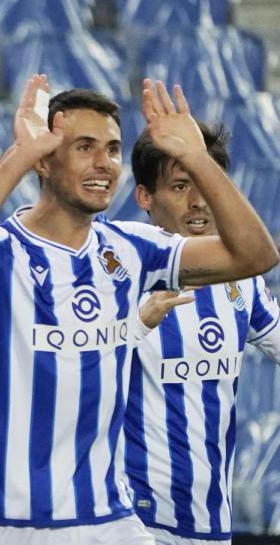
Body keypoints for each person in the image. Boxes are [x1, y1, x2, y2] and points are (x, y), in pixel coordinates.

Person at [0, 77, 278, 545]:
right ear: (46, 160)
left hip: (108, 519)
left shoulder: (133, 250)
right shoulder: (1, 251)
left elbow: (254, 257)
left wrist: (196, 158)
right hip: (7, 521)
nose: (104, 164)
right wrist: (20, 155)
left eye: (112, 150)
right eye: (85, 147)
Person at [124, 120, 280, 545]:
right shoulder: (119, 269)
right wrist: (134, 325)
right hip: (131, 520)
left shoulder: (241, 280)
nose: (198, 203)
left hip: (210, 521)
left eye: (206, 184)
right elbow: (70, 371)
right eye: (178, 186)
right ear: (144, 197)